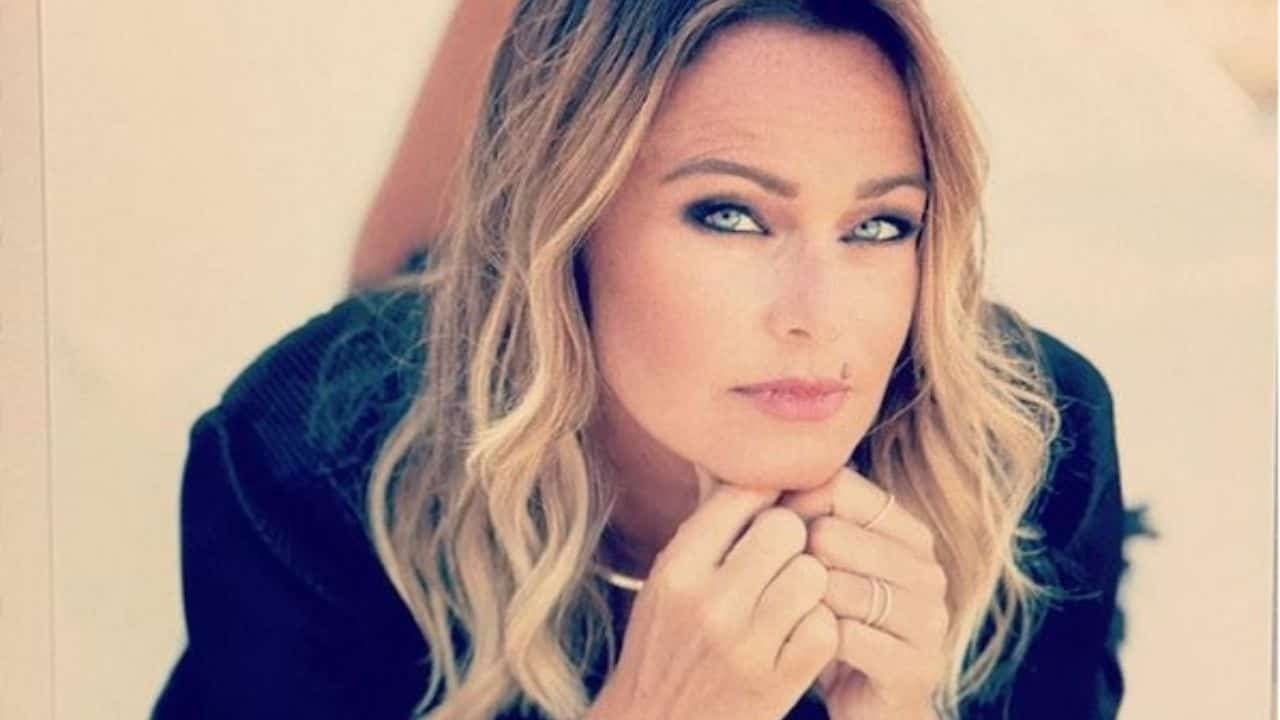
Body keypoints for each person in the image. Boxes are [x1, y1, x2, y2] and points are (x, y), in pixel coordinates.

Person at [152, 1, 1127, 719]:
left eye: (879, 224)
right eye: (730, 215)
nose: (818, 319)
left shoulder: (1031, 444)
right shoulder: (304, 463)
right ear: (569, 227)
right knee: (409, 290)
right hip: (448, 370)